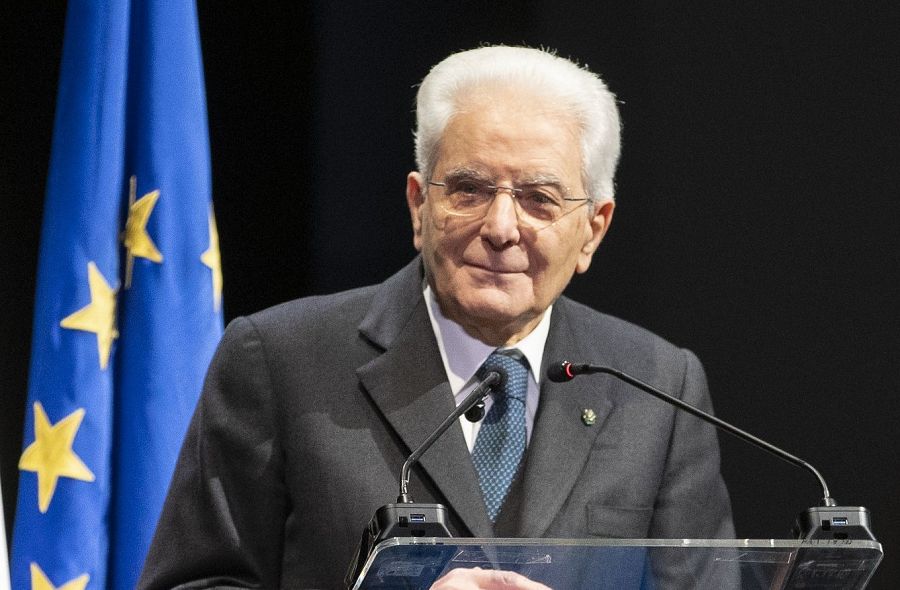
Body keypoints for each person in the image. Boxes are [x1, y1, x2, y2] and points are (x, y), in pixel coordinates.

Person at [138, 45, 733, 589]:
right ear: (419, 206)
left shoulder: (658, 386)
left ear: (593, 230)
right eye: (469, 190)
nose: (501, 228)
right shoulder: (279, 360)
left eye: (539, 200)